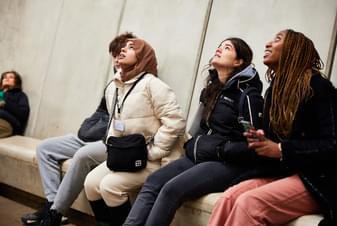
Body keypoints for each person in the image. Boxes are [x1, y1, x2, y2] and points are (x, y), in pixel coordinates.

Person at [207, 29, 337, 226]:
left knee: (249, 204)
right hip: (287, 173)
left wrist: (279, 149)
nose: (268, 43)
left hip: (320, 179)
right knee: (227, 199)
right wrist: (263, 142)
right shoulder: (274, 92)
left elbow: (336, 143)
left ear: (294, 50)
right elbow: (277, 145)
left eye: (277, 39)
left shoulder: (318, 87)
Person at [123, 37, 275, 226]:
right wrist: (192, 144)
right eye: (219, 46)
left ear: (238, 61)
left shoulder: (249, 96)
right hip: (199, 155)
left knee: (171, 190)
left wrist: (221, 149)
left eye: (226, 48)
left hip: (226, 162)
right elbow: (199, 128)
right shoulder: (213, 89)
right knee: (153, 181)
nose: (219, 49)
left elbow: (254, 145)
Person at [20, 32, 136, 226]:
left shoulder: (141, 83)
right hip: (91, 137)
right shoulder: (113, 83)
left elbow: (125, 124)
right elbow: (100, 113)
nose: (117, 58)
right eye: (114, 54)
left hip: (111, 143)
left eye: (122, 52)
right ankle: (51, 203)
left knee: (82, 155)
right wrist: (87, 128)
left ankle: (56, 213)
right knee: (45, 148)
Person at [83, 38, 186, 226]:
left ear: (143, 57)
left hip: (156, 160)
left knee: (109, 186)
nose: (122, 50)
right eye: (123, 47)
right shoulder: (113, 87)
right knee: (91, 183)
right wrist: (115, 151)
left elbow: (176, 121)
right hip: (127, 157)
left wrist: (153, 152)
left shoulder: (153, 84)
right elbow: (115, 124)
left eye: (131, 48)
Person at [0, 70, 30, 138]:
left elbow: (23, 114)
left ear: (16, 82)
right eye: (4, 77)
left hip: (6, 123)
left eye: (11, 77)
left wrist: (5, 104)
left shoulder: (20, 95)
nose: (7, 78)